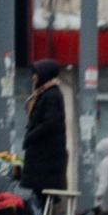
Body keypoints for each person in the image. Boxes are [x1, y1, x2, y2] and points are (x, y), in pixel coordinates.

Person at [20, 60, 69, 200]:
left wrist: (30, 137)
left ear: (44, 74)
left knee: (45, 194)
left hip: (46, 157)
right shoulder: (44, 93)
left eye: (35, 73)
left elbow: (50, 123)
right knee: (43, 193)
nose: (33, 77)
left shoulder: (50, 95)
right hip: (43, 156)